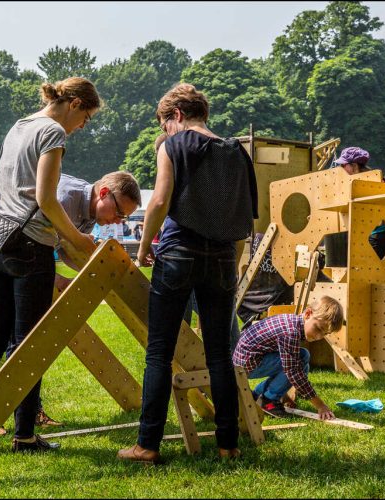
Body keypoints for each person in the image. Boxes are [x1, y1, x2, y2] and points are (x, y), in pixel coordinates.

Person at [118, 83, 257, 463]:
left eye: (164, 125)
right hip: (224, 258)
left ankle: (147, 445)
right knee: (220, 354)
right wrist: (233, 263)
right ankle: (228, 445)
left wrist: (145, 248)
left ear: (176, 115)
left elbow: (160, 200)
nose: (164, 132)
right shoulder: (237, 152)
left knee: (159, 354)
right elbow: (245, 219)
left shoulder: (172, 146)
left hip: (178, 253)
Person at [0, 77, 104, 454]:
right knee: (28, 344)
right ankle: (24, 436)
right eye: (86, 118)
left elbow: (2, 184)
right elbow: (46, 198)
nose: (82, 127)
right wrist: (78, 239)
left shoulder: (20, 125)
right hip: (28, 245)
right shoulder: (52, 132)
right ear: (75, 103)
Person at [0, 171, 140, 428]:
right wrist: (56, 280)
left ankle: (27, 412)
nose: (117, 221)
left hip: (15, 248)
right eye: (120, 213)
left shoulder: (90, 215)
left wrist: (93, 272)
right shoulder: (64, 197)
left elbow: (62, 247)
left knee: (20, 338)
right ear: (103, 194)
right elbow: (32, 250)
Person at [233, 295, 343, 420]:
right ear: (308, 313)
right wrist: (320, 405)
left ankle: (258, 395)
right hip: (245, 365)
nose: (319, 337)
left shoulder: (293, 323)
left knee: (302, 356)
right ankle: (268, 400)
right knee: (299, 362)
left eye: (325, 334)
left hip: (249, 360)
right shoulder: (290, 332)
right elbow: (293, 373)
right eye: (318, 329)